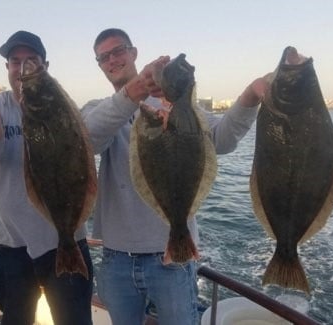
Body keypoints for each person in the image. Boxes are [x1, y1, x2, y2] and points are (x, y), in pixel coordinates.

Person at [81, 28, 268, 325]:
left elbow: (221, 139)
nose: (112, 59)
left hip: (172, 254)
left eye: (118, 51)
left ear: (133, 53)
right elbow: (87, 140)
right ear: (100, 65)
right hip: (116, 257)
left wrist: (250, 96)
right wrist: (136, 90)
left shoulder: (180, 107)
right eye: (104, 57)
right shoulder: (98, 110)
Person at [0, 30, 93, 325]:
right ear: (7, 68)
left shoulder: (63, 107)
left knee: (75, 320)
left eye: (31, 60)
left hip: (64, 240)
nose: (22, 67)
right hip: (10, 244)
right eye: (15, 61)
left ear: (45, 66)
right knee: (16, 319)